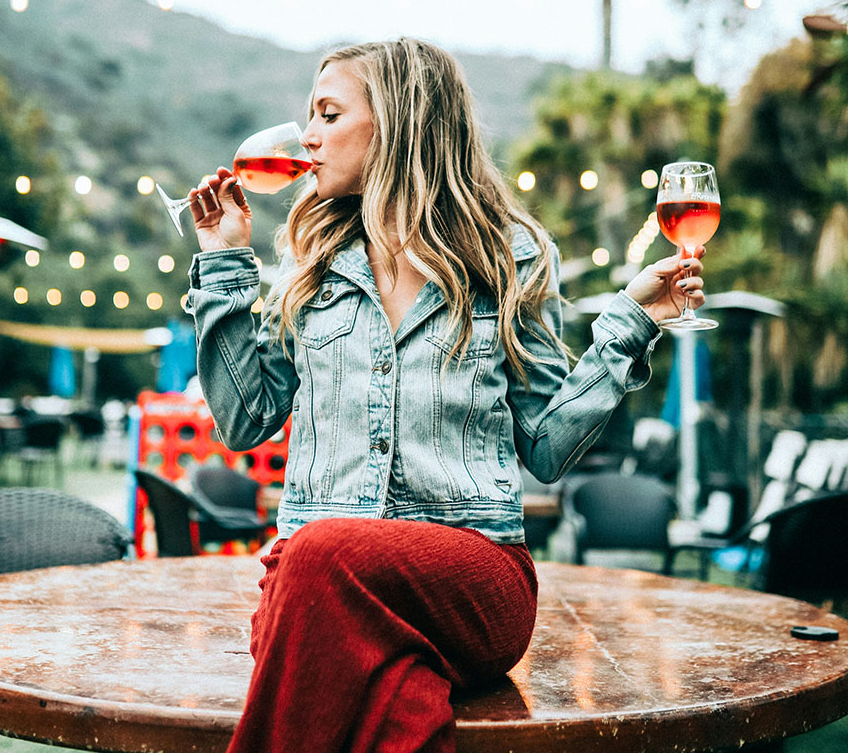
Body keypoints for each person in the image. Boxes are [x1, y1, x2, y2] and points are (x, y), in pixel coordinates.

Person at [185, 38, 707, 753]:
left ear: (399, 122)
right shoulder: (309, 266)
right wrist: (221, 264)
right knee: (389, 689)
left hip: (470, 574)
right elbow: (245, 421)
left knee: (317, 554)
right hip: (319, 590)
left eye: (329, 114)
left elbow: (548, 448)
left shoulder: (512, 257)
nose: (307, 136)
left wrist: (630, 322)